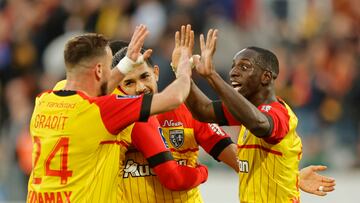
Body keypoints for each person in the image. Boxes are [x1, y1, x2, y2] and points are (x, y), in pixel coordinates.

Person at [26, 25, 207, 202]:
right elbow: (174, 98)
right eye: (108, 67)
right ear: (98, 70)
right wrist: (183, 70)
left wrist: (126, 63)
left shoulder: (44, 100)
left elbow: (94, 91)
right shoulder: (103, 110)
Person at [184, 29, 335, 202]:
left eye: (244, 67)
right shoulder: (244, 111)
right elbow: (202, 110)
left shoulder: (280, 113)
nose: (233, 72)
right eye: (233, 66)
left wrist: (212, 76)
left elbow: (260, 125)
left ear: (265, 77)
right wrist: (182, 72)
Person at [111, 24, 238, 203]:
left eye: (144, 77)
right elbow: (174, 178)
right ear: (118, 87)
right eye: (129, 83)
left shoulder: (188, 112)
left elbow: (237, 160)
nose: (140, 88)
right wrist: (202, 172)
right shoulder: (114, 122)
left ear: (156, 73)